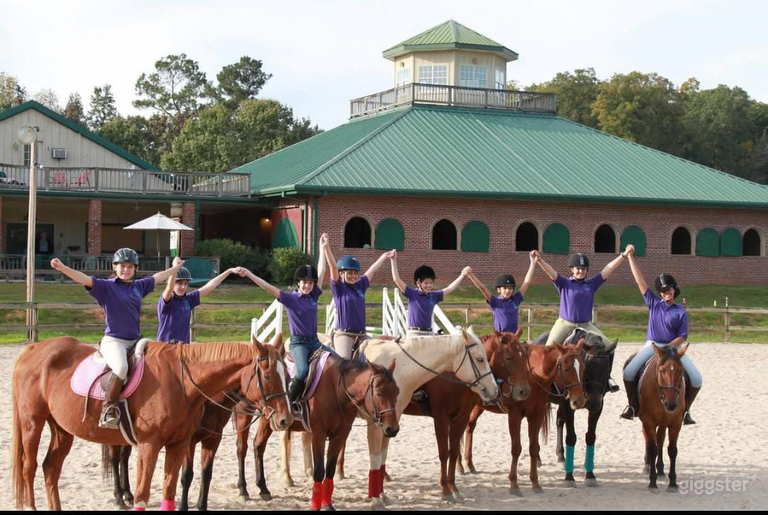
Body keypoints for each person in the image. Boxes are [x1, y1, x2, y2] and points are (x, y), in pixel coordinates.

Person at [51, 249, 184, 429]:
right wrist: (63, 268)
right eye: (122, 266)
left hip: (136, 340)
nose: (126, 270)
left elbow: (158, 277)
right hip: (114, 341)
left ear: (135, 269)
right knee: (121, 367)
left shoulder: (140, 286)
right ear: (115, 267)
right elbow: (83, 278)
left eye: (130, 267)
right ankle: (109, 408)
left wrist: (175, 268)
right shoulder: (106, 287)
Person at [241, 234, 328, 413]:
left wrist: (323, 249)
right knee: (302, 371)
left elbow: (322, 272)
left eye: (311, 283)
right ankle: (292, 402)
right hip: (299, 343)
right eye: (305, 282)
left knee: (336, 361)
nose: (308, 286)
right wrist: (250, 274)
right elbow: (268, 287)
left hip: (315, 341)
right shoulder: (290, 298)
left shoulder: (313, 296)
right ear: (298, 283)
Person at [622, 245, 702, 424]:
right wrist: (630, 258)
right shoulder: (654, 304)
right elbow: (639, 281)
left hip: (673, 348)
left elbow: (683, 336)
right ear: (660, 293)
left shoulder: (680, 311)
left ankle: (685, 410)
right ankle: (633, 405)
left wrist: (670, 347)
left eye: (669, 290)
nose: (667, 293)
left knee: (696, 378)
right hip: (653, 345)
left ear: (674, 290)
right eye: (663, 291)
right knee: (629, 371)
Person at [321, 238, 393, 358]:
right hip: (344, 335)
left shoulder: (360, 285)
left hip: (362, 335)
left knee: (378, 355)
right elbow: (333, 266)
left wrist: (384, 256)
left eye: (355, 273)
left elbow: (372, 270)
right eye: (349, 273)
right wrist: (327, 247)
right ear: (341, 274)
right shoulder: (339, 288)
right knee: (344, 362)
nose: (353, 276)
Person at [389, 250, 469, 336]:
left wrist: (462, 275)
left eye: (431, 283)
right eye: (426, 283)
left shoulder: (434, 296)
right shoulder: (412, 294)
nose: (429, 285)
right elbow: (397, 280)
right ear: (418, 282)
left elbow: (449, 288)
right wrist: (393, 261)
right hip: (414, 333)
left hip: (429, 333)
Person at [156, 265, 243, 344]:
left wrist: (229, 271)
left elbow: (209, 286)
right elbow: (169, 288)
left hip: (183, 348)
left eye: (185, 284)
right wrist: (175, 267)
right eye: (179, 283)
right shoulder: (167, 299)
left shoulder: (188, 299)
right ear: (172, 283)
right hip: (164, 348)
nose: (183, 287)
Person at [465, 251, 537, 334]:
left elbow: (527, 283)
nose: (508, 291)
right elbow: (482, 288)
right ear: (499, 290)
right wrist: (471, 275)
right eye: (505, 288)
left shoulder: (516, 299)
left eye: (510, 288)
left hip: (513, 338)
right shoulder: (495, 302)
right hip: (500, 338)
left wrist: (533, 263)